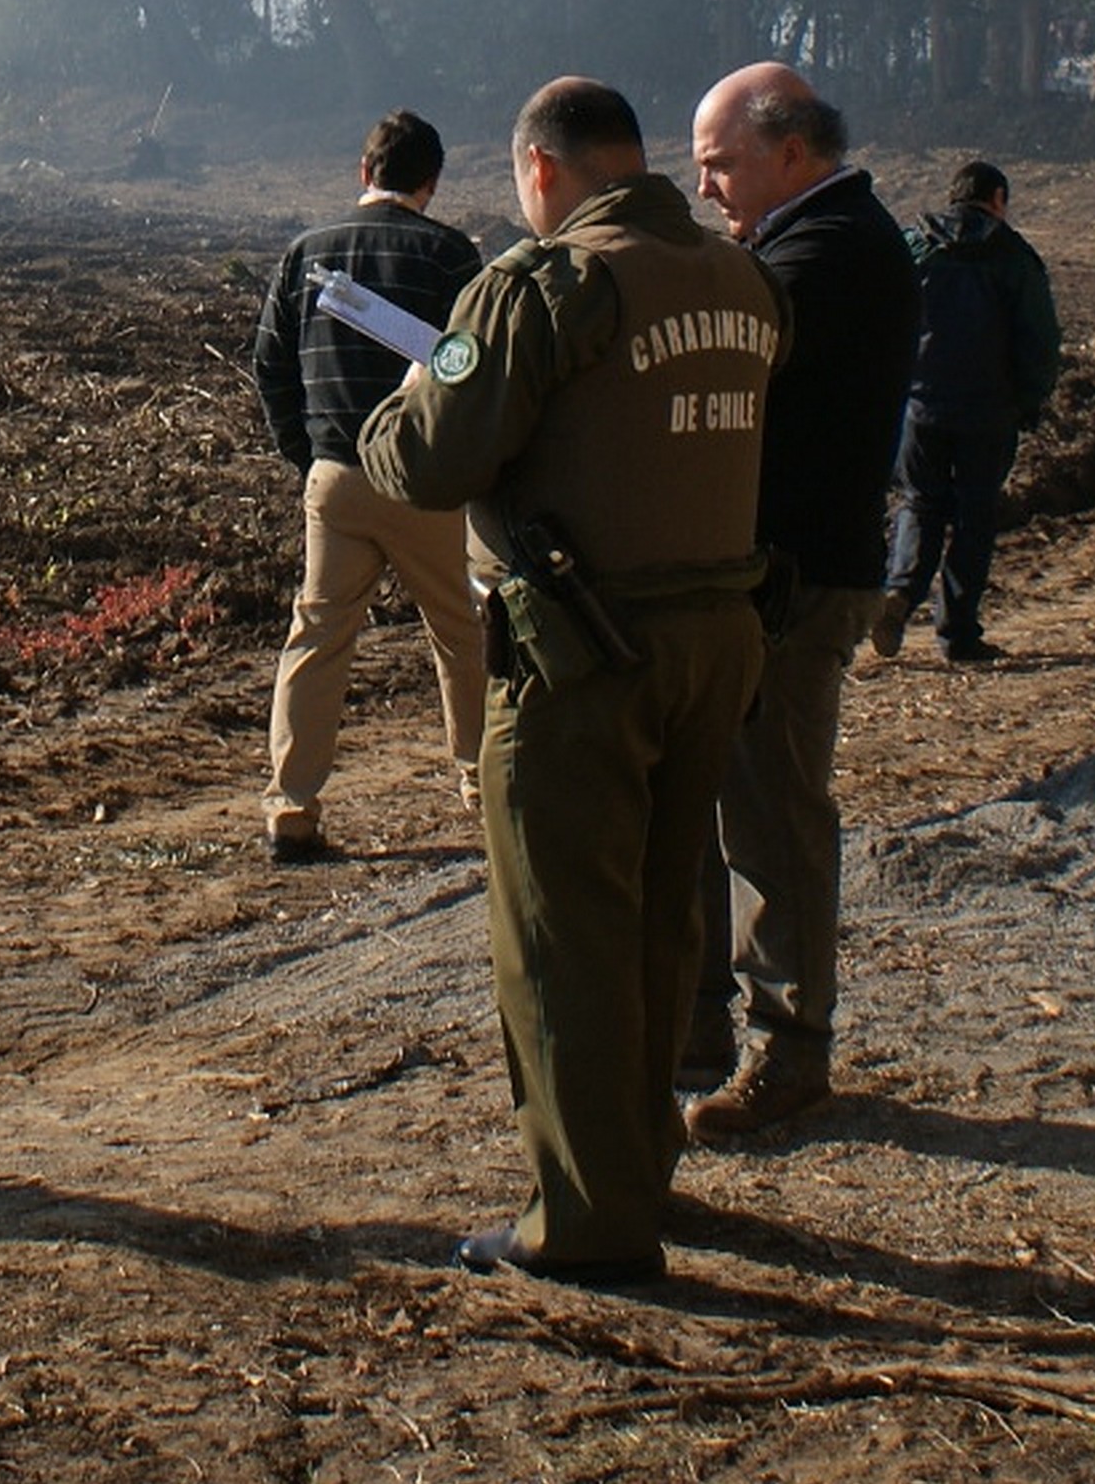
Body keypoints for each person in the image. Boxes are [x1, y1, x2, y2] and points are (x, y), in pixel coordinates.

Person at [357, 77, 779, 1287]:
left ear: (539, 172)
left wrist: (413, 386)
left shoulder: (541, 284)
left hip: (579, 657)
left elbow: (426, 460)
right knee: (659, 917)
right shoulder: (742, 277)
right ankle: (638, 1163)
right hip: (715, 636)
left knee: (558, 936)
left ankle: (583, 1222)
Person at [680, 61, 915, 1143]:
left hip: (800, 581)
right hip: (771, 573)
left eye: (719, 166)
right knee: (719, 804)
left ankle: (788, 1048)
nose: (707, 191)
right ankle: (706, 1029)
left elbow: (720, 321)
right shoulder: (807, 242)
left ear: (790, 151)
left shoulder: (830, 252)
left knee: (771, 816)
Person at [248, 110, 492, 861]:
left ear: (364, 172)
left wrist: (308, 455)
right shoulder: (451, 255)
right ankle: (486, 789)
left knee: (317, 636)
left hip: (336, 477)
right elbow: (477, 370)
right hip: (423, 479)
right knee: (461, 633)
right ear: (431, 182)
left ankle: (291, 810)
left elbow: (270, 368)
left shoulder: (304, 254)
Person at [880, 160, 1064, 664]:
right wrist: (1030, 400)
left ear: (953, 197)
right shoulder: (1013, 257)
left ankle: (899, 592)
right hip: (988, 411)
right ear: (997, 199)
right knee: (973, 516)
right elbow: (1040, 340)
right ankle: (958, 634)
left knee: (920, 503)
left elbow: (882, 314)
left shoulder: (916, 245)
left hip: (920, 407)